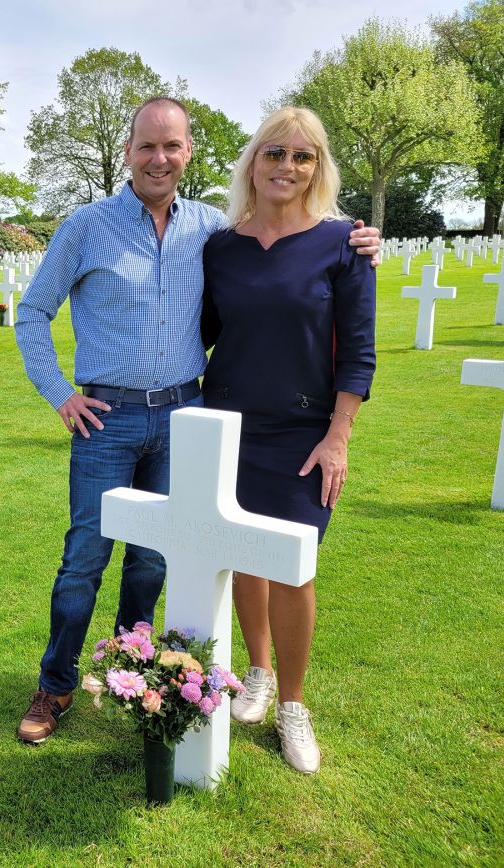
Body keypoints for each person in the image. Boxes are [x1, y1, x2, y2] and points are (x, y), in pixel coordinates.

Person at [13, 96, 378, 745]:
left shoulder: (213, 230)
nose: (160, 157)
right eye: (147, 145)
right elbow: (35, 312)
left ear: (188, 153)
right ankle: (57, 684)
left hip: (193, 417)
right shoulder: (106, 228)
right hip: (119, 420)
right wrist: (60, 394)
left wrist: (363, 244)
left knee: (158, 563)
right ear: (128, 151)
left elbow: (317, 310)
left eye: (173, 146)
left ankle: (136, 678)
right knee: (84, 560)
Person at [200, 106, 376, 774]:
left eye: (303, 157)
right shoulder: (223, 247)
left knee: (293, 569)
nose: (287, 167)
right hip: (228, 427)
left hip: (304, 433)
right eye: (275, 153)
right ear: (253, 161)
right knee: (245, 556)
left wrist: (339, 436)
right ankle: (259, 672)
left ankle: (294, 706)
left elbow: (358, 352)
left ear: (318, 167)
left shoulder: (343, 245)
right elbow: (205, 329)